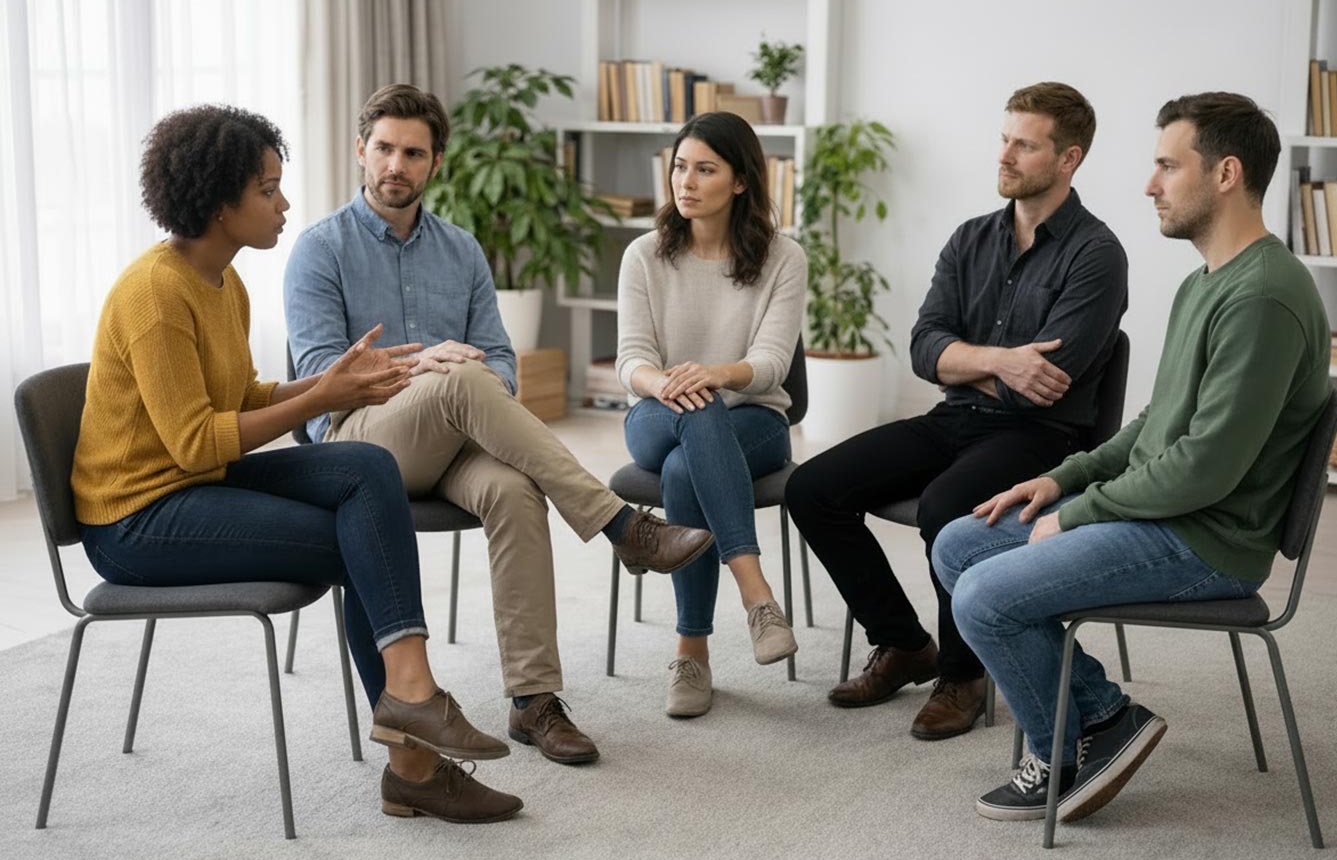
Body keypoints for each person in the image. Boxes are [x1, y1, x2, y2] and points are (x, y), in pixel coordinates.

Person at [71, 105, 523, 824]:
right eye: (268, 190)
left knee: (365, 467)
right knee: (363, 541)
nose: (284, 204)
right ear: (220, 204)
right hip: (136, 518)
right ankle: (414, 753)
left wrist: (335, 381)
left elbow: (240, 398)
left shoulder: (224, 282)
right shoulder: (156, 293)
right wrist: (323, 395)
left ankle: (411, 708)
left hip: (193, 484)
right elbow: (195, 443)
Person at [284, 84, 713, 764]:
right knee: (456, 376)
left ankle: (533, 699)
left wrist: (466, 380)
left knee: (514, 488)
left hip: (453, 440)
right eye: (385, 149)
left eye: (414, 153)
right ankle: (620, 526)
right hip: (357, 448)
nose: (396, 165)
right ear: (360, 149)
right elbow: (317, 382)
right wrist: (428, 368)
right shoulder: (319, 249)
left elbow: (502, 363)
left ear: (436, 162)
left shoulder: (461, 250)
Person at [933, 91, 1331, 823]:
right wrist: (1063, 478)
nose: (1150, 185)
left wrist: (1080, 512)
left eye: (1168, 166)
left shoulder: (1262, 297)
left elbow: (1205, 467)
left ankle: (1059, 756)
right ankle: (1106, 717)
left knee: (983, 596)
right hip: (1171, 514)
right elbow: (1155, 425)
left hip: (1209, 538)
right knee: (960, 545)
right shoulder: (1204, 281)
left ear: (1226, 174)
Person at [785, 82, 1128, 739]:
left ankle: (963, 674)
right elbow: (923, 348)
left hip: (1044, 438)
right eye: (1004, 139)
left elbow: (1041, 388)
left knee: (946, 508)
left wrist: (964, 361)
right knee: (812, 488)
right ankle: (903, 643)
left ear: (1069, 159)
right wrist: (1000, 360)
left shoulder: (1097, 254)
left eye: (1024, 145)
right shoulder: (970, 239)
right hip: (955, 418)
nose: (1004, 155)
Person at [616, 112, 807, 717]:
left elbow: (772, 363)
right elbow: (631, 359)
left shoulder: (783, 258)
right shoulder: (644, 255)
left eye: (705, 169)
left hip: (754, 421)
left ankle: (691, 650)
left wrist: (714, 374)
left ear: (741, 180)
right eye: (679, 167)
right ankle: (757, 596)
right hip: (656, 414)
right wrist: (666, 383)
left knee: (684, 468)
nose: (686, 182)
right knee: (694, 414)